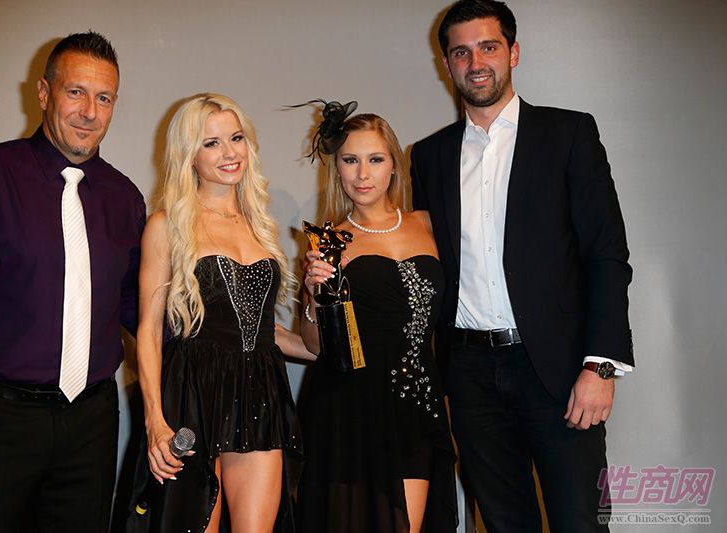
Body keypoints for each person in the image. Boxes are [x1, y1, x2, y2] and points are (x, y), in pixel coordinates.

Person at [410, 1, 634, 531]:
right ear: (447, 64)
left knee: (582, 521)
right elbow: (425, 264)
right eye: (461, 52)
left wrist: (601, 366)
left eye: (488, 47)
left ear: (513, 53)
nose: (475, 63)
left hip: (559, 370)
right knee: (504, 523)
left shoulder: (569, 134)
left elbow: (606, 255)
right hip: (469, 376)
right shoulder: (429, 156)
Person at [0, 31, 145, 532]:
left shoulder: (125, 199)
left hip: (90, 426)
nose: (89, 112)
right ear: (44, 93)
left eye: (104, 98)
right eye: (76, 92)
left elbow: (140, 309)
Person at [135, 92, 311, 532]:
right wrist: (155, 421)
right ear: (189, 155)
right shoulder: (167, 225)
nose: (229, 152)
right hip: (193, 392)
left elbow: (263, 330)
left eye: (236, 138)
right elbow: (149, 329)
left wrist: (325, 344)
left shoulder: (259, 225)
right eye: (211, 143)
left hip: (260, 392)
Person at [299, 109, 458, 532]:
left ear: (394, 164)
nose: (363, 174)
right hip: (350, 407)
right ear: (336, 168)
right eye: (350, 160)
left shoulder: (429, 224)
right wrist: (313, 297)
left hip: (418, 403)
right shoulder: (328, 242)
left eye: (375, 159)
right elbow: (315, 345)